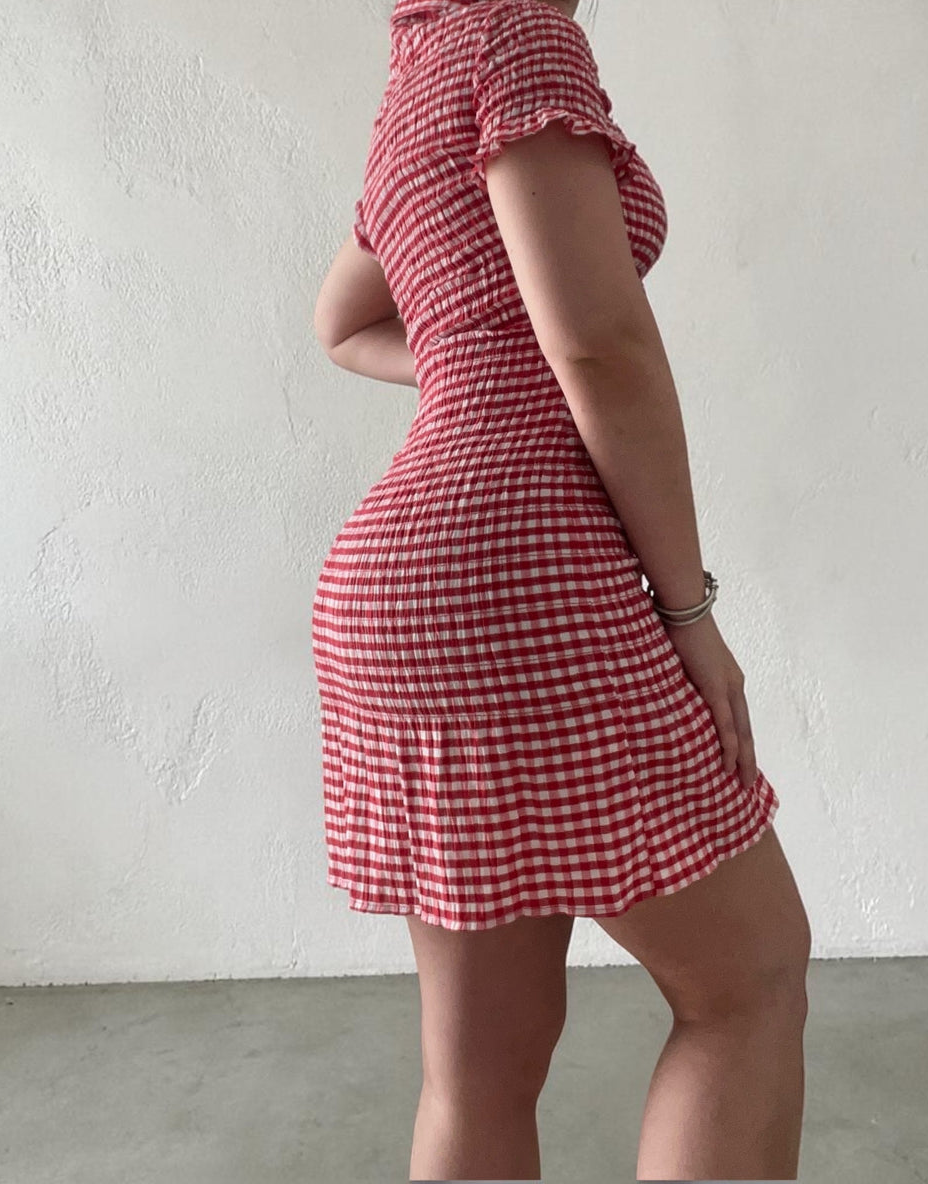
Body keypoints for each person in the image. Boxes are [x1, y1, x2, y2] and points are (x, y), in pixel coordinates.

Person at [312, 0, 811, 1177]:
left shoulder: (421, 67)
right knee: (748, 980)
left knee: (478, 1069)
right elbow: (602, 348)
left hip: (396, 587)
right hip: (517, 577)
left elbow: (342, 323)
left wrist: (472, 362)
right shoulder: (518, 37)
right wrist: (689, 612)